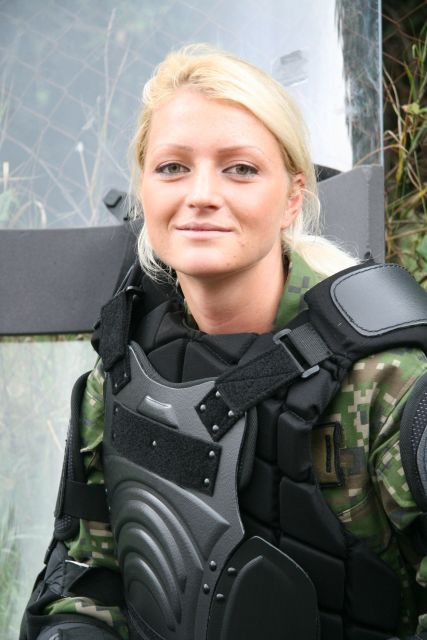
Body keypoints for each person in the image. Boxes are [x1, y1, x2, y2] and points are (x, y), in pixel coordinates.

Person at [21, 44, 427, 640]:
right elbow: (90, 575)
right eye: (172, 168)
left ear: (292, 197)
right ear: (144, 189)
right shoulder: (123, 369)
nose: (201, 194)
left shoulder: (387, 380)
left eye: (240, 168)